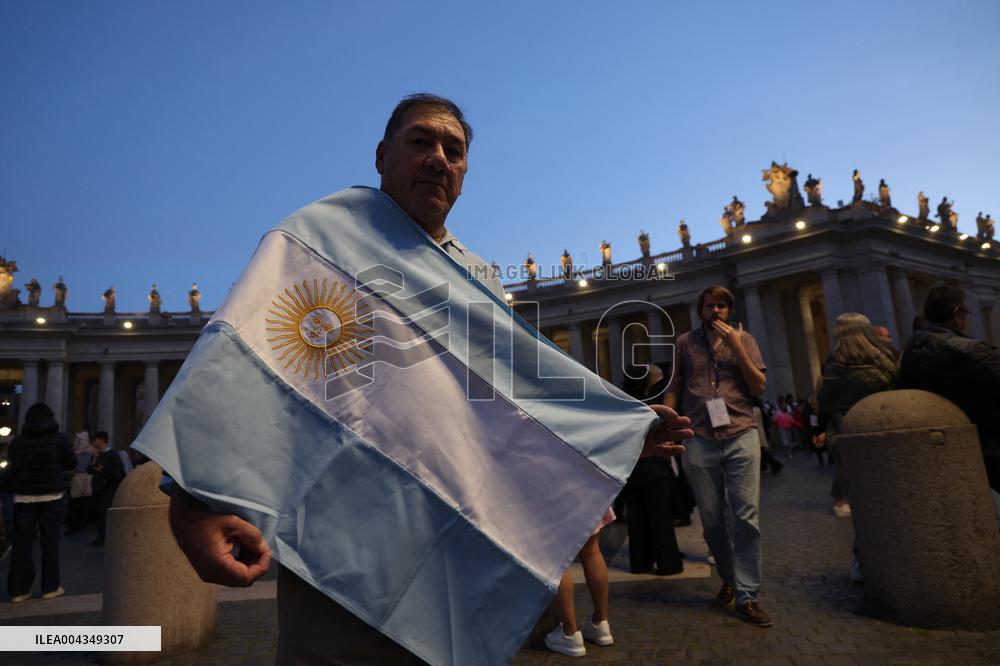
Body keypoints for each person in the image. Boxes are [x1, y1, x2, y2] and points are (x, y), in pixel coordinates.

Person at [163, 94, 695, 663]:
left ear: (465, 173)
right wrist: (191, 505)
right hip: (339, 533)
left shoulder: (479, 278)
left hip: (452, 540)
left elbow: (525, 398)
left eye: (454, 150)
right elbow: (248, 366)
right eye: (421, 142)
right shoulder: (320, 241)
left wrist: (624, 427)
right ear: (381, 154)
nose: (439, 158)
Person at [665, 285, 773, 628]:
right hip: (699, 435)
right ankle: (730, 577)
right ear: (701, 310)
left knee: (747, 516)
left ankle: (747, 595)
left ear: (730, 310)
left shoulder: (748, 340)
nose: (716, 311)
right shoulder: (685, 343)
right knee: (710, 519)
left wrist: (738, 345)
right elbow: (675, 385)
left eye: (722, 306)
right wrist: (668, 421)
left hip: (741, 431)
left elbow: (758, 386)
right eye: (710, 306)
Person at [899, 285, 1000, 502]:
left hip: (940, 447)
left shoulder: (911, 351)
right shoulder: (972, 351)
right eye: (966, 313)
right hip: (988, 443)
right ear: (957, 314)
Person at [814, 313, 896, 533]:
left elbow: (824, 400)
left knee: (861, 490)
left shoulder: (835, 363)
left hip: (850, 428)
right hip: (886, 424)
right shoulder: (887, 357)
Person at [5, 402, 76, 602]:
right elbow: (71, 463)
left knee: (22, 544)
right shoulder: (60, 439)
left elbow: (11, 468)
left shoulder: (18, 441)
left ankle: (19, 590)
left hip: (24, 497)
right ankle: (50, 587)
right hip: (52, 496)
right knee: (50, 542)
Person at [620, 365, 684, 576]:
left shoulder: (623, 404)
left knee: (636, 520)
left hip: (630, 467)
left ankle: (640, 563)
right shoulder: (655, 405)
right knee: (661, 519)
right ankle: (668, 563)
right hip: (656, 465)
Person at [87, 431, 125, 547]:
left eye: (95, 440)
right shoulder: (96, 454)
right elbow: (89, 470)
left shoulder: (113, 455)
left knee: (105, 513)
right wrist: (94, 459)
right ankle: (100, 536)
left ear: (102, 440)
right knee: (98, 513)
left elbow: (119, 473)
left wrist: (103, 470)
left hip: (108, 489)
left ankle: (108, 537)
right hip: (97, 488)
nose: (93, 443)